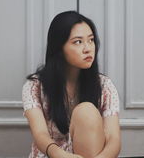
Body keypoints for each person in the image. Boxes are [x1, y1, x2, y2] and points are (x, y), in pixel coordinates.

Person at [22, 11, 121, 158]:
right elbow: (40, 134)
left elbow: (114, 140)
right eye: (78, 42)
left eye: (91, 40)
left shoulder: (104, 86)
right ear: (59, 47)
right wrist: (59, 154)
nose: (88, 48)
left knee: (86, 111)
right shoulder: (35, 86)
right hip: (52, 156)